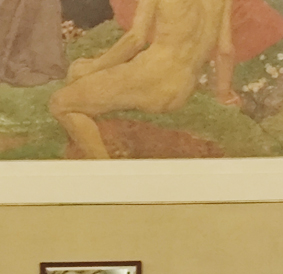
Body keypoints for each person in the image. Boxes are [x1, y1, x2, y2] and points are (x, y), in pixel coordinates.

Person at [48, 0, 230, 159]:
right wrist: (224, 92)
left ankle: (105, 168)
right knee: (81, 73)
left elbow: (135, 39)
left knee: (60, 103)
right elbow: (225, 49)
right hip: (183, 88)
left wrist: (94, 66)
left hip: (152, 78)